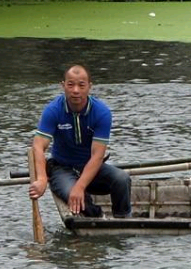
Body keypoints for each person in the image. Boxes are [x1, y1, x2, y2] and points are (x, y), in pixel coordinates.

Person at [28, 64, 132, 219]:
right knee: (75, 197)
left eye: (81, 85)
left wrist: (81, 185)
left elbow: (97, 155)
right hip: (62, 168)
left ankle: (123, 220)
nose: (75, 90)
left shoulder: (101, 112)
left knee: (122, 179)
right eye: (71, 85)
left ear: (89, 87)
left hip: (91, 167)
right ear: (63, 86)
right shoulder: (53, 110)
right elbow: (38, 145)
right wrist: (42, 179)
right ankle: (97, 217)